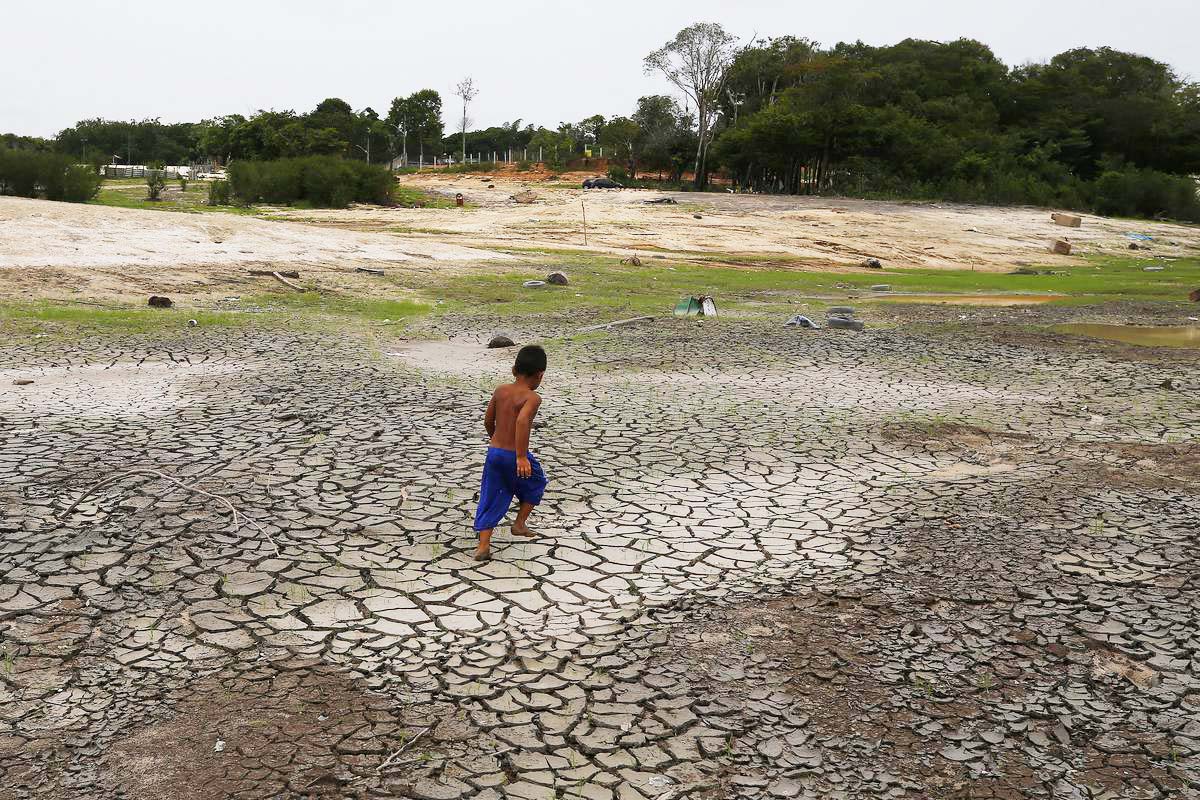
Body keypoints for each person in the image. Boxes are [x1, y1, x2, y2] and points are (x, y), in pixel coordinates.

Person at [473, 345, 548, 561]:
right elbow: (523, 421)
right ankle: (519, 523)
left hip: (494, 453)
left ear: (514, 370)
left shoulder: (500, 390)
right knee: (536, 482)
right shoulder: (532, 398)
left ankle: (484, 546)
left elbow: (488, 421)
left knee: (491, 494)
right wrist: (521, 456)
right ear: (540, 375)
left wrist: (495, 439)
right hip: (514, 455)